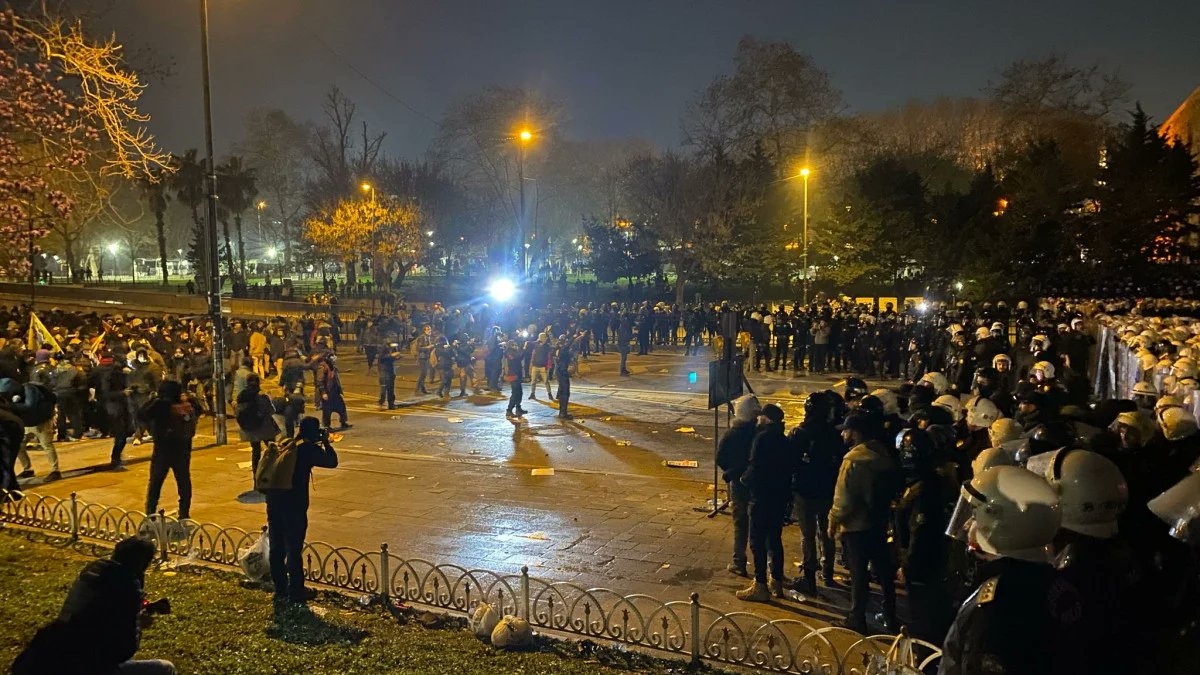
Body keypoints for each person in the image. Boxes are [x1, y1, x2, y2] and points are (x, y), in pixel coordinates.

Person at [940, 466, 1077, 675]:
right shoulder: (1055, 579)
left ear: (1001, 523)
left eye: (976, 514)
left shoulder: (996, 605)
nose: (968, 524)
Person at [13, 537, 175, 675]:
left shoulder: (92, 573)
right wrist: (139, 624)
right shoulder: (128, 586)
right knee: (165, 668)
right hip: (85, 667)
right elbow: (124, 651)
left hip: (47, 658)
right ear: (142, 564)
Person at [829, 411, 901, 632]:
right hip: (878, 521)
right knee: (884, 571)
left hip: (856, 525)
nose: (843, 435)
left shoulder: (853, 461)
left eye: (846, 431)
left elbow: (844, 499)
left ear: (855, 433)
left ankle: (856, 617)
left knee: (859, 575)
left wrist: (833, 520)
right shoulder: (883, 455)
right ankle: (890, 614)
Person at [265, 417, 338, 608]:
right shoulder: (306, 449)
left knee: (277, 548)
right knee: (293, 549)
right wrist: (325, 442)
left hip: (274, 503)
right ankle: (296, 590)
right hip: (294, 506)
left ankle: (280, 588)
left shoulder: (289, 444)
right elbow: (332, 462)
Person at [735, 403, 793, 602]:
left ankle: (760, 585)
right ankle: (776, 582)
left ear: (766, 419)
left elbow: (755, 468)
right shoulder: (783, 439)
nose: (757, 419)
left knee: (757, 541)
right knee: (774, 540)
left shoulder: (762, 438)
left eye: (760, 417)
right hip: (779, 498)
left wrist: (744, 479)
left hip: (761, 497)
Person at [789, 391, 842, 594]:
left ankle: (809, 576)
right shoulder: (833, 433)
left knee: (808, 534)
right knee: (826, 532)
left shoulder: (801, 432)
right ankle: (827, 572)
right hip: (827, 489)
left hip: (805, 490)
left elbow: (791, 460)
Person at [716, 394, 761, 577]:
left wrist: (732, 471)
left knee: (740, 523)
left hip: (738, 483)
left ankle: (739, 562)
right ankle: (765, 565)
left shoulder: (732, 433)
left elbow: (720, 458)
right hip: (757, 483)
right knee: (759, 525)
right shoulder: (759, 432)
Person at [140, 381, 199, 519]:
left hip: (163, 448)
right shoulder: (187, 405)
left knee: (156, 481)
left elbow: (142, 414)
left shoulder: (161, 405)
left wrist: (154, 399)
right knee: (183, 481)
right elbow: (199, 408)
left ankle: (151, 512)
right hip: (182, 448)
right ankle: (184, 512)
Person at [235, 373, 280, 480]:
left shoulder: (242, 396)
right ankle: (272, 472)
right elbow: (271, 410)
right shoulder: (261, 396)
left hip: (251, 428)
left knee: (255, 451)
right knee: (272, 449)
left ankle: (256, 475)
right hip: (265, 427)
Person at [315, 354, 350, 431]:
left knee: (341, 407)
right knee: (327, 409)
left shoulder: (332, 367)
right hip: (327, 392)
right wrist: (323, 393)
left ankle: (343, 422)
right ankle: (326, 425)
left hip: (335, 391)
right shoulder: (322, 368)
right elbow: (320, 382)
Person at [504, 341, 527, 418]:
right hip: (513, 374)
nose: (515, 346)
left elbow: (521, 357)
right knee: (515, 393)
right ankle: (509, 410)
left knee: (520, 392)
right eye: (514, 344)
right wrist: (523, 349)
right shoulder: (509, 352)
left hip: (517, 373)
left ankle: (518, 408)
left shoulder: (514, 351)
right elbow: (518, 357)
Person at [529, 333, 553, 401]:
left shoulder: (547, 346)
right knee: (533, 381)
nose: (541, 338)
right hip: (535, 366)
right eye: (540, 337)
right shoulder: (535, 344)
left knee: (546, 381)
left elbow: (550, 353)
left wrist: (548, 365)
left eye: (543, 337)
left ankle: (549, 394)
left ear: (545, 338)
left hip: (543, 366)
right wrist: (531, 363)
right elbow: (532, 352)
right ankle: (532, 394)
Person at [554, 333, 573, 419]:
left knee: (562, 390)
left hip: (559, 370)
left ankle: (562, 411)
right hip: (562, 371)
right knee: (565, 392)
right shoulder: (562, 348)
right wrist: (574, 337)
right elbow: (567, 345)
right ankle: (563, 412)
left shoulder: (557, 348)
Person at [377, 342, 400, 409]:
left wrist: (397, 357)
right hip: (384, 370)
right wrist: (392, 355)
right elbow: (382, 358)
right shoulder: (384, 348)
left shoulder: (392, 348)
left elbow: (392, 358)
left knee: (390, 388)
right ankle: (382, 401)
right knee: (384, 388)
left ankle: (391, 404)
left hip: (390, 370)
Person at [414, 324, 433, 395]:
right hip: (422, 358)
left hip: (426, 357)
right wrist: (428, 347)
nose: (429, 331)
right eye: (428, 329)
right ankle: (417, 389)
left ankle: (423, 389)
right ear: (424, 330)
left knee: (424, 374)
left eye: (430, 329)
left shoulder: (428, 337)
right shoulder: (422, 337)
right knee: (423, 374)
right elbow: (418, 348)